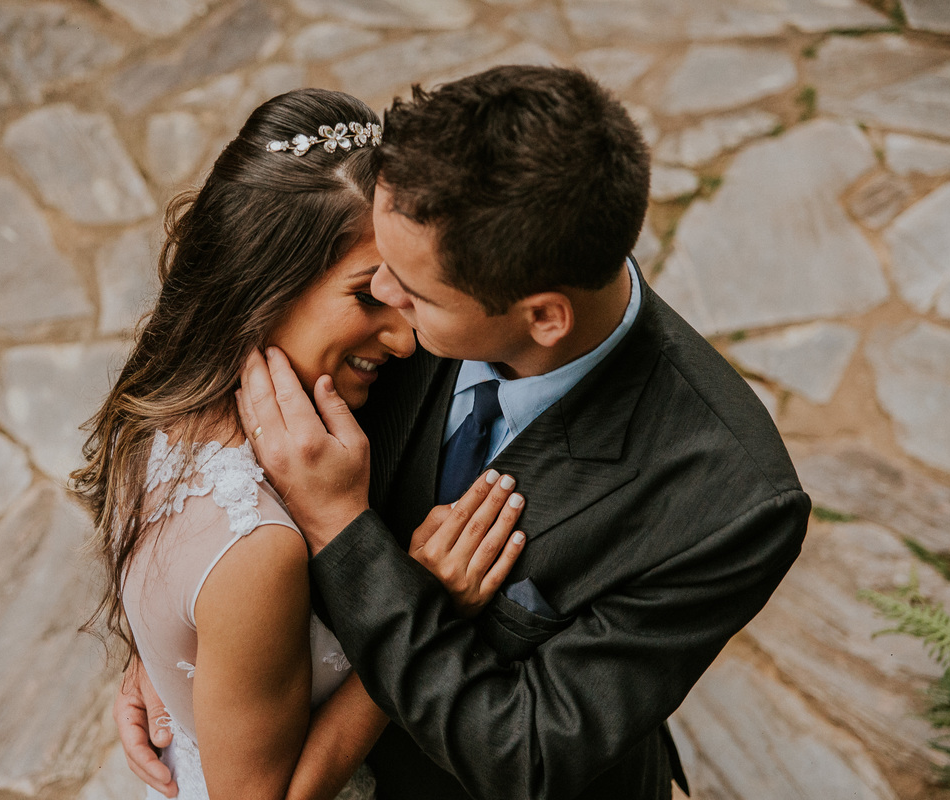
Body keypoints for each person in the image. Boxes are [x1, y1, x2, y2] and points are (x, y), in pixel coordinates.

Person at [120, 66, 811, 799]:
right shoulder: (429, 232)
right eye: (376, 274)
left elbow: (528, 756)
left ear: (542, 317)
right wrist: (179, 654)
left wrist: (341, 529)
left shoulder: (734, 503)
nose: (385, 295)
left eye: (412, 293)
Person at [76, 88, 528, 800]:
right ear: (266, 282)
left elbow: (188, 606)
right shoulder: (259, 547)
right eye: (368, 296)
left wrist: (167, 668)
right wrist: (420, 608)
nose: (407, 338)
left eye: (407, 293)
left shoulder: (159, 395)